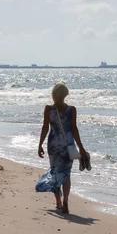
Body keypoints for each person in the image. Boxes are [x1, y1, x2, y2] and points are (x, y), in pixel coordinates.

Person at [36, 82, 87, 214]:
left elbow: (45, 128)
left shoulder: (49, 109)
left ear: (53, 95)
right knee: (66, 173)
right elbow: (74, 129)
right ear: (65, 95)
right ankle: (66, 201)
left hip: (53, 144)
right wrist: (81, 147)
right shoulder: (72, 110)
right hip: (68, 145)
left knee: (55, 172)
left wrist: (40, 144)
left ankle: (58, 202)